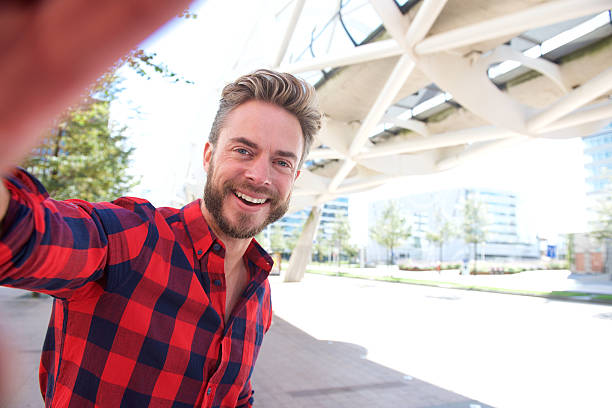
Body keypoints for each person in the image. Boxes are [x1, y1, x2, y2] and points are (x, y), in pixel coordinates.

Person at [0, 69, 321, 407]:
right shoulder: (133, 240)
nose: (260, 176)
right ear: (209, 156)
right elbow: (31, 234)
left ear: (295, 176)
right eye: (243, 150)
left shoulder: (260, 295)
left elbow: (234, 396)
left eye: (281, 162)